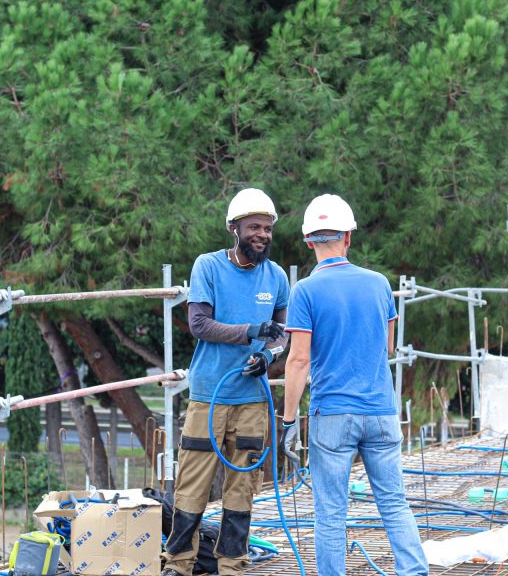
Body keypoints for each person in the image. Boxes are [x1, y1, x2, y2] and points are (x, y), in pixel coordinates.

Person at [280, 193, 428, 576]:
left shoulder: (306, 291)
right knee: (394, 503)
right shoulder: (379, 284)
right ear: (348, 237)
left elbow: (298, 359)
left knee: (331, 512)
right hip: (381, 411)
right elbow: (389, 345)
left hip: (333, 414)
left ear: (309, 242)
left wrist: (288, 419)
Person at [161, 188, 290, 576]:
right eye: (253, 227)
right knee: (192, 485)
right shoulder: (209, 266)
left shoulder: (277, 276)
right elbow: (199, 324)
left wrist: (268, 355)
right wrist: (252, 331)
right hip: (209, 395)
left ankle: (233, 565)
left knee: (243, 488)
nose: (262, 235)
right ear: (234, 228)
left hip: (253, 399)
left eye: (267, 228)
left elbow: (282, 334)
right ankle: (179, 564)